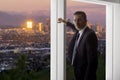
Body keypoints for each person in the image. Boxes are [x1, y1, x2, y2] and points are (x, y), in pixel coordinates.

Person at [58, 11, 98, 80]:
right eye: (75, 20)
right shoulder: (79, 31)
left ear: (85, 21)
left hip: (85, 75)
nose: (76, 23)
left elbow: (92, 62)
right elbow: (73, 26)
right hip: (78, 72)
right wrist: (64, 22)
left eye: (79, 20)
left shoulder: (90, 35)